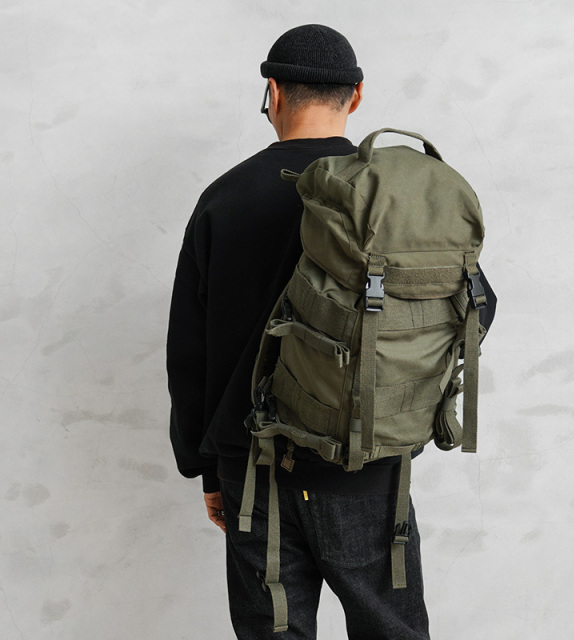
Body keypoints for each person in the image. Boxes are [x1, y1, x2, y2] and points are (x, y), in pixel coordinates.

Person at [167, 24, 496, 639]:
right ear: (357, 96)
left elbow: (188, 353)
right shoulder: (395, 200)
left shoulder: (224, 198)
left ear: (273, 92)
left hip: (252, 473)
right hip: (368, 466)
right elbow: (473, 311)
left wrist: (204, 467)